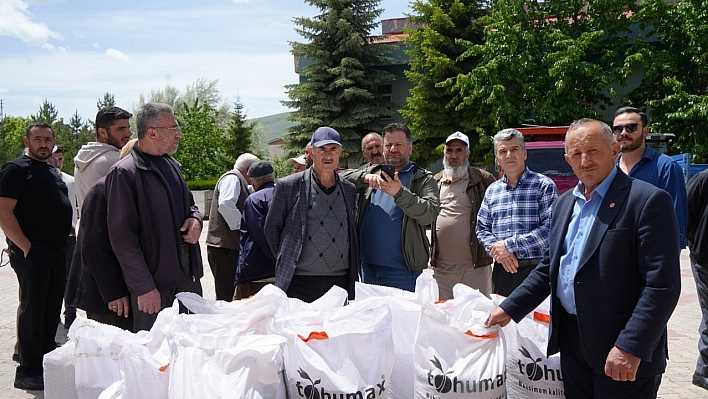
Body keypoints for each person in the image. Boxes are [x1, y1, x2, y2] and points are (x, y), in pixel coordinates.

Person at [486, 118, 682, 398]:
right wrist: (510, 308)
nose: (585, 160)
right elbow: (549, 268)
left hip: (620, 349)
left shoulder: (647, 201)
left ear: (614, 151)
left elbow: (662, 286)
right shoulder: (565, 203)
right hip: (573, 344)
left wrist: (631, 346)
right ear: (567, 158)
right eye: (576, 154)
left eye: (593, 151)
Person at [105, 103, 203, 331]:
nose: (179, 134)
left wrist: (196, 220)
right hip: (155, 289)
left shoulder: (172, 165)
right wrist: (144, 287)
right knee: (156, 358)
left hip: (187, 281)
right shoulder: (124, 173)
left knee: (193, 350)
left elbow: (191, 206)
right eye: (173, 128)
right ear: (152, 132)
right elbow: (122, 239)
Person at [0, 122, 73, 391]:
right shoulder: (16, 170)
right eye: (38, 139)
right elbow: (4, 212)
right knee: (33, 310)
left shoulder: (51, 170)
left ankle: (44, 361)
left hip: (57, 250)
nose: (43, 144)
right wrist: (25, 246)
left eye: (47, 140)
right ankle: (27, 370)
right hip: (33, 251)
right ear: (26, 141)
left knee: (51, 309)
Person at [341, 122, 439, 292]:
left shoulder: (422, 179)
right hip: (367, 270)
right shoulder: (375, 173)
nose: (393, 149)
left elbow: (429, 213)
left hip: (403, 273)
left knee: (403, 319)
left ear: (410, 148)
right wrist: (366, 176)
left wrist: (399, 192)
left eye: (399, 144)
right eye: (388, 145)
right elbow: (341, 178)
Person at [265, 127, 359, 302]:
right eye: (322, 149)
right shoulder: (288, 186)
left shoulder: (349, 189)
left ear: (340, 152)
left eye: (333, 149)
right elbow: (272, 228)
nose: (328, 155)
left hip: (340, 283)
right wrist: (287, 256)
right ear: (311, 152)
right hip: (298, 282)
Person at [65, 139, 138, 331]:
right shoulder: (103, 190)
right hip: (105, 296)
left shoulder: (135, 188)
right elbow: (93, 246)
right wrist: (113, 292)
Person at [475, 128, 557, 296]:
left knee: (538, 321)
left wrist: (508, 246)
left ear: (525, 154)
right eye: (503, 151)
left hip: (536, 270)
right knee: (502, 320)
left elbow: (551, 230)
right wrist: (499, 252)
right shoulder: (492, 190)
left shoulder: (544, 185)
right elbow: (482, 228)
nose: (508, 155)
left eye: (514, 149)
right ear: (497, 158)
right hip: (502, 270)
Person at [430, 132, 496, 299]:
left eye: (459, 150)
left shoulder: (483, 179)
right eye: (449, 151)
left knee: (478, 317)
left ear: (468, 154)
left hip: (476, 268)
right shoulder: (435, 181)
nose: (454, 155)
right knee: (443, 319)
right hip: (443, 270)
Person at [613, 106, 688, 248]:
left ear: (645, 131)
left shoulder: (666, 167)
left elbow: (677, 220)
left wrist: (669, 263)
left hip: (652, 252)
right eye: (618, 129)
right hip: (617, 253)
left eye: (631, 127)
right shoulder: (609, 169)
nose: (623, 133)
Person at [205, 153, 259, 301]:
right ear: (248, 170)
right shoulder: (232, 179)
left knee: (230, 293)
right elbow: (226, 204)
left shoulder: (237, 180)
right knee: (225, 295)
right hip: (224, 249)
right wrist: (243, 227)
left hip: (227, 248)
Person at [74, 106, 133, 213]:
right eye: (121, 129)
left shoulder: (84, 157)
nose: (129, 133)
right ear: (102, 132)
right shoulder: (116, 160)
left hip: (86, 227)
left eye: (128, 128)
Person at [235, 160, 277, 297]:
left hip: (257, 272)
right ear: (272, 177)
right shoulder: (285, 195)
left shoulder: (254, 200)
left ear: (253, 182)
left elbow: (261, 234)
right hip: (281, 272)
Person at [51, 146, 78, 328]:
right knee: (52, 279)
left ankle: (70, 314)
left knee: (71, 278)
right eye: (54, 159)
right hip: (50, 238)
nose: (57, 163)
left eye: (60, 159)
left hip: (70, 238)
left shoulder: (71, 181)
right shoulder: (42, 180)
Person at [687, 169, 708, 391]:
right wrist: (697, 247)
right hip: (705, 261)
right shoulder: (705, 178)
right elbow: (686, 210)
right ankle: (703, 372)